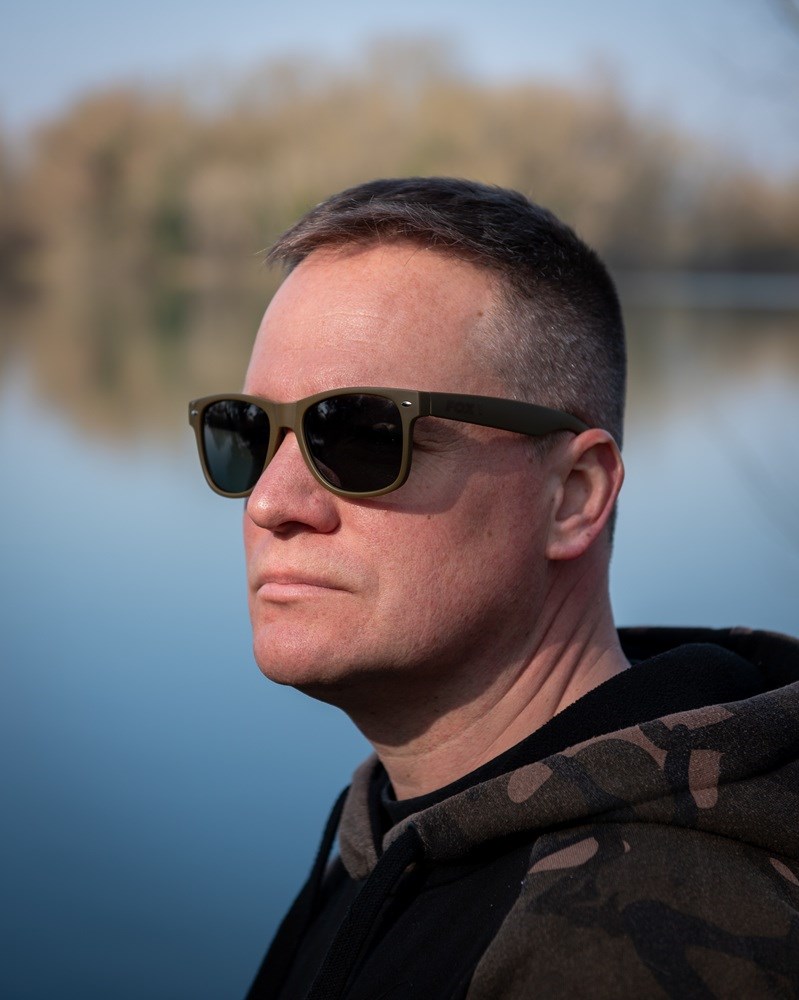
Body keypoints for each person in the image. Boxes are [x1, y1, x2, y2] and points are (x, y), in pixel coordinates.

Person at [188, 178, 799, 999]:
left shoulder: (629, 945)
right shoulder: (401, 832)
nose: (270, 502)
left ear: (572, 495)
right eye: (248, 433)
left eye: (362, 436)